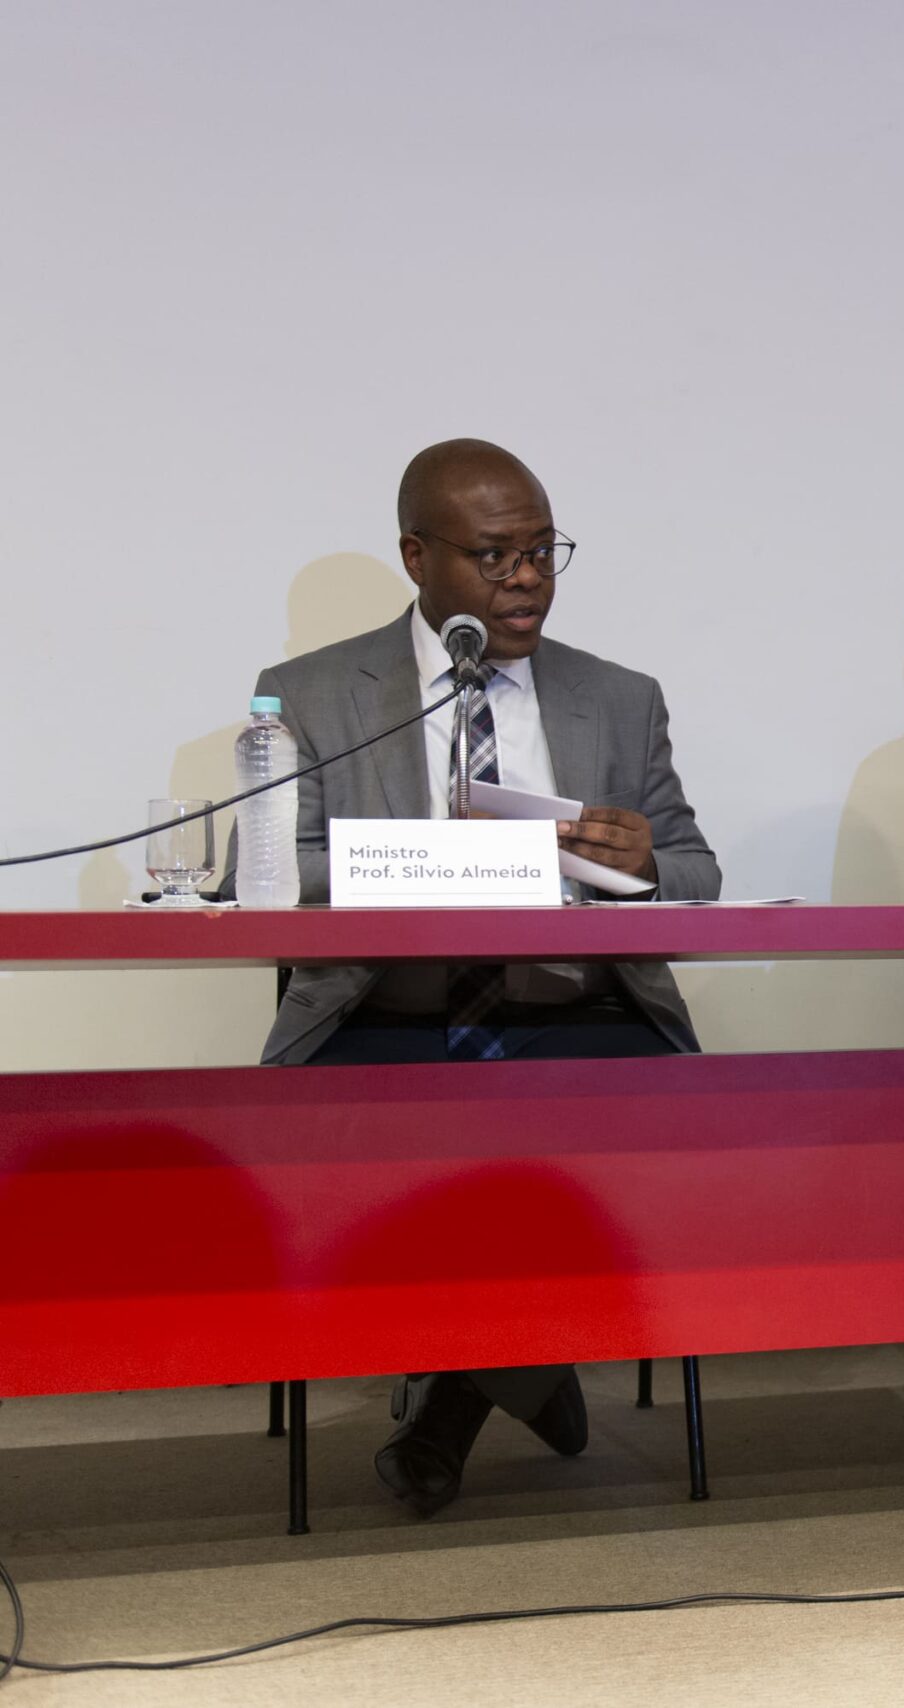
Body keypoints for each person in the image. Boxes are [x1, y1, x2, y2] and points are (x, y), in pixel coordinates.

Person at [231, 438, 721, 1514]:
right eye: (495, 556)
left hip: (580, 1015)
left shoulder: (618, 697)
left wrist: (644, 865)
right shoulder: (311, 692)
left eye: (544, 551)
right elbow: (269, 874)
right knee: (427, 1152)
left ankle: (459, 1400)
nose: (528, 578)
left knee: (606, 1141)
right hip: (382, 1016)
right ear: (418, 556)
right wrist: (432, 861)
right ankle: (531, 1372)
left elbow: (698, 872)